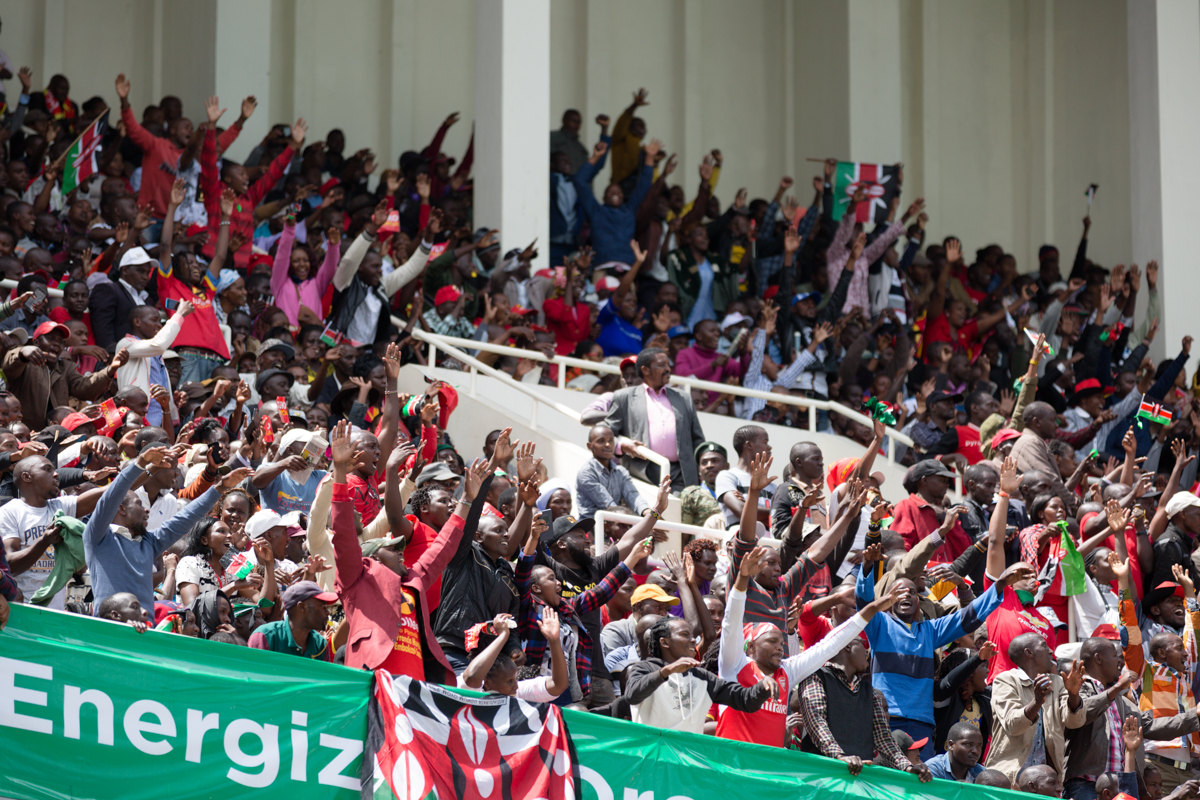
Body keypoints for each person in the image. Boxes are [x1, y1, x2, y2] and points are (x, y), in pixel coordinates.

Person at [330, 419, 485, 682]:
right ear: (372, 558)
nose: (400, 552)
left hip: (415, 690)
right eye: (392, 548)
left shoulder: (414, 581)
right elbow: (344, 534)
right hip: (372, 681)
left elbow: (443, 548)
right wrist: (339, 473)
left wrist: (468, 500)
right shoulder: (355, 579)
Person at [717, 544, 904, 747]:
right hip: (731, 767)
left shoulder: (786, 672)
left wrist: (870, 610)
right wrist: (742, 579)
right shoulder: (733, 665)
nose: (780, 648)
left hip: (767, 771)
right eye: (772, 641)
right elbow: (731, 623)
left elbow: (830, 645)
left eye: (781, 642)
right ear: (751, 647)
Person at [516, 501, 655, 705]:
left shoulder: (567, 607)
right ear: (535, 587)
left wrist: (634, 556)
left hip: (580, 676)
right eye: (579, 536)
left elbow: (600, 592)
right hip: (535, 684)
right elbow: (524, 568)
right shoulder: (528, 604)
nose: (558, 584)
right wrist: (533, 530)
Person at [85, 447, 250, 615]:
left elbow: (187, 516)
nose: (147, 510)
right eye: (139, 504)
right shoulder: (98, 537)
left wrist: (220, 488)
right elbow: (110, 497)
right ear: (121, 508)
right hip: (109, 628)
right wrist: (140, 463)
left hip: (146, 631)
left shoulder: (149, 542)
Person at [798, 634, 932, 781]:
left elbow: (884, 739)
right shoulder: (816, 678)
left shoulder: (871, 692)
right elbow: (816, 723)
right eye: (863, 644)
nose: (868, 651)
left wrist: (907, 767)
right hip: (820, 777)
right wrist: (840, 757)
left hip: (858, 781)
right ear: (847, 645)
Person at [623, 615, 773, 735]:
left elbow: (744, 700)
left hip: (688, 759)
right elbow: (632, 695)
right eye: (685, 635)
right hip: (653, 757)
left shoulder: (703, 677)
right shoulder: (644, 668)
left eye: (692, 635)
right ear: (665, 642)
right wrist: (666, 672)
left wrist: (763, 687)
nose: (693, 639)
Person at [984, 632, 1088, 785]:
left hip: (1046, 782)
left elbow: (1075, 722)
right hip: (1010, 780)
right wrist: (1037, 701)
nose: (1050, 651)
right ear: (1029, 652)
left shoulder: (1058, 682)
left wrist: (1073, 694)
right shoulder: (1005, 680)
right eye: (1044, 645)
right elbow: (1013, 725)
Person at [603, 347, 705, 491]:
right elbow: (605, 432)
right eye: (661, 365)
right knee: (651, 513)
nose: (668, 369)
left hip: (680, 474)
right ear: (645, 370)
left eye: (668, 365)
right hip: (642, 472)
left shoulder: (683, 398)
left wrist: (703, 466)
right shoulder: (623, 397)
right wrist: (622, 445)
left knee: (675, 511)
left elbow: (697, 439)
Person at [115, 301, 192, 428]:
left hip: (159, 425)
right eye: (154, 320)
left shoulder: (155, 353)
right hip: (137, 422)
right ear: (137, 322)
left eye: (159, 321)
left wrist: (172, 401)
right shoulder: (126, 344)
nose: (158, 325)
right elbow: (159, 345)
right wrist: (180, 314)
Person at [460, 609, 566, 701]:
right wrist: (503, 635)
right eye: (510, 681)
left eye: (515, 679)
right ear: (487, 684)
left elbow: (558, 685)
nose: (516, 686)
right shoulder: (472, 693)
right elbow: (471, 677)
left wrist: (554, 640)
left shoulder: (515, 693)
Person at [575, 423, 649, 520]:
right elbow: (610, 506)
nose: (608, 445)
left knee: (652, 527)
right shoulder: (586, 473)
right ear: (590, 446)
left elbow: (633, 495)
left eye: (611, 441)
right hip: (591, 529)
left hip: (615, 525)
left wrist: (649, 514)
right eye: (601, 441)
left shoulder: (621, 471)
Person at [247, 580, 336, 661]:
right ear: (301, 607)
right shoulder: (264, 637)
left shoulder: (320, 643)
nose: (328, 612)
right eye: (322, 606)